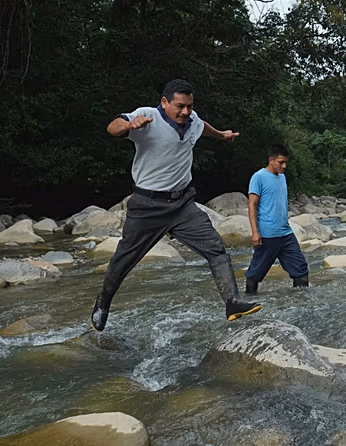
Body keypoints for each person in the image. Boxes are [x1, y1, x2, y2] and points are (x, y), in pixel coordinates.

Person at [91, 79, 262, 332]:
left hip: (183, 205)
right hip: (148, 205)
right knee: (124, 260)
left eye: (189, 106)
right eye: (179, 106)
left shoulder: (192, 120)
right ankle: (103, 303)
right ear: (164, 102)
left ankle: (232, 302)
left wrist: (222, 135)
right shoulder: (147, 117)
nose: (185, 112)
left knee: (215, 248)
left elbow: (202, 126)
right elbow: (112, 127)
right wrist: (128, 125)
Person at [244, 144, 310, 294]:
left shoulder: (282, 177)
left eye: (286, 162)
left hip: (286, 233)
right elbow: (252, 205)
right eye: (281, 162)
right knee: (255, 273)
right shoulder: (258, 177)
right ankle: (248, 299)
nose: (284, 166)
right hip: (268, 234)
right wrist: (255, 232)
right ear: (271, 160)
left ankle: (299, 304)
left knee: (301, 270)